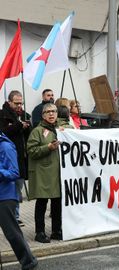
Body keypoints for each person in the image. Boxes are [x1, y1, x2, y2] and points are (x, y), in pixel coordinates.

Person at [0, 132, 38, 270]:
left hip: (5, 197)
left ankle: (29, 262)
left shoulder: (5, 146)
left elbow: (15, 172)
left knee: (12, 234)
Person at [27, 103, 63, 243]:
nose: (51, 114)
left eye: (54, 111)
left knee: (57, 203)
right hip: (43, 173)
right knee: (42, 203)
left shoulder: (62, 129)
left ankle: (56, 230)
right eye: (48, 112)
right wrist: (47, 147)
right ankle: (40, 232)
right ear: (43, 115)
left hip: (57, 174)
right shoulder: (37, 131)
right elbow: (31, 151)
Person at [0, 91, 31, 226]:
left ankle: (15, 216)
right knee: (9, 190)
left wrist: (27, 127)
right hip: (7, 159)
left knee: (17, 189)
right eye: (16, 103)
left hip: (21, 159)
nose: (19, 106)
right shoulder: (2, 115)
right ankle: (11, 217)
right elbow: (3, 132)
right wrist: (18, 125)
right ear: (9, 102)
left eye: (21, 103)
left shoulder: (24, 115)